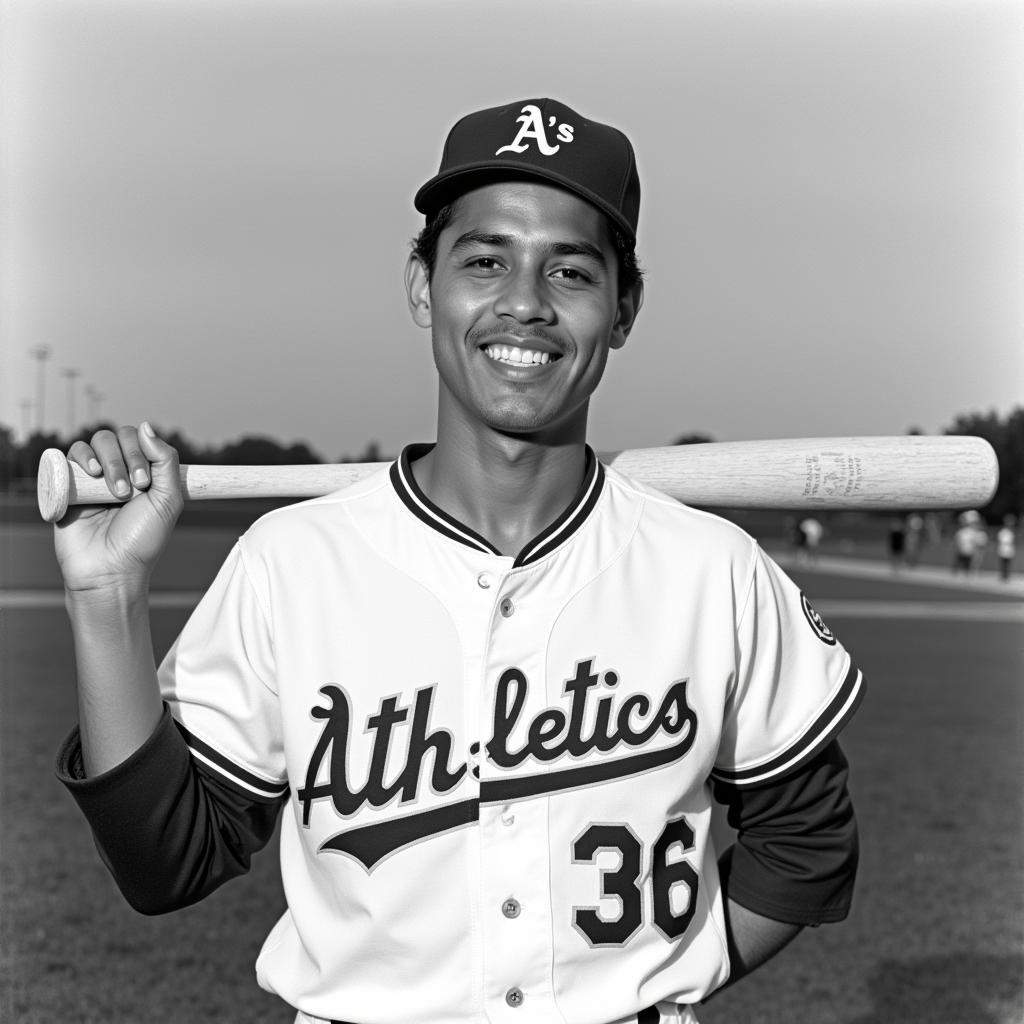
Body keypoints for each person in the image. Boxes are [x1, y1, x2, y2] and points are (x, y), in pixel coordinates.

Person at [52, 98, 863, 1024]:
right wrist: (104, 593)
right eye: (484, 261)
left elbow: (807, 843)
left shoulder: (712, 572)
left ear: (624, 307)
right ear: (421, 286)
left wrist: (670, 982)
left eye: (571, 269)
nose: (525, 301)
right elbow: (166, 864)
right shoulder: (294, 562)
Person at [996, 514, 1016, 581]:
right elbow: (1001, 541)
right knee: (1003, 563)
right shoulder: (1003, 532)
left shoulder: (1011, 532)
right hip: (1003, 549)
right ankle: (1003, 576)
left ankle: (1006, 576)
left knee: (1007, 564)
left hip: (1009, 550)